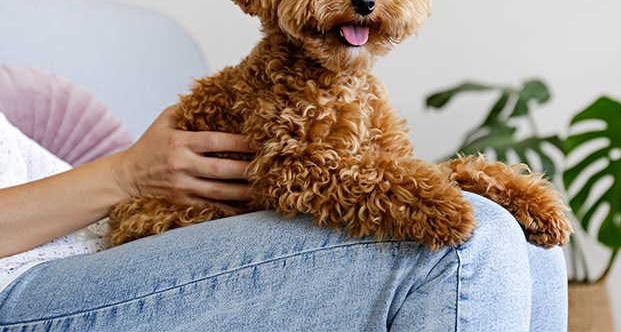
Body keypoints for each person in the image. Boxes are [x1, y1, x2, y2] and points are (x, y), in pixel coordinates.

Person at [0, 106, 568, 331]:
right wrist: (127, 174)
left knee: (528, 244)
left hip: (99, 245)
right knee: (469, 239)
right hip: (22, 286)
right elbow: (125, 184)